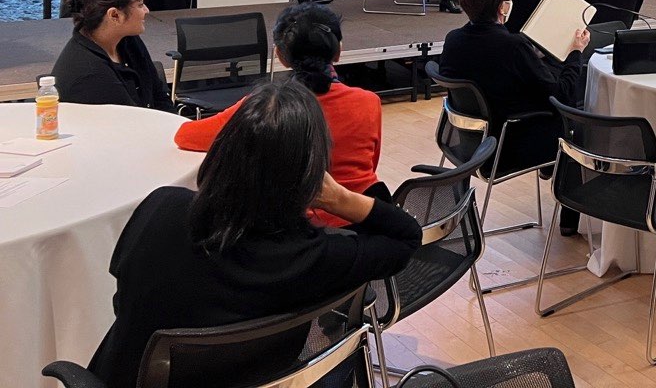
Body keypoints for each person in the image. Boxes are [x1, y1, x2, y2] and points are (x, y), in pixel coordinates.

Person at [88, 82, 419, 388]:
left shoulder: (161, 208)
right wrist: (340, 198)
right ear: (311, 177)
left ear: (223, 151)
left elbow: (121, 301)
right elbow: (406, 237)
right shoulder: (314, 258)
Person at [174, 3, 384, 226]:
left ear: (280, 55)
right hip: (365, 222)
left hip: (296, 231)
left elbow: (185, 136)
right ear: (338, 51)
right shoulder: (369, 102)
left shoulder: (263, 107)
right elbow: (371, 164)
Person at [437, 0, 590, 234]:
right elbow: (562, 95)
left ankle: (552, 171)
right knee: (579, 121)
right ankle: (569, 219)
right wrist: (576, 53)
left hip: (469, 143)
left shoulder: (453, 39)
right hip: (507, 147)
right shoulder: (512, 46)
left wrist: (534, 59)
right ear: (502, 6)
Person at [52, 0, 173, 111]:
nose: (146, 10)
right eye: (140, 4)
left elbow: (159, 95)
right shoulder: (90, 73)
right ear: (114, 15)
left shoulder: (127, 39)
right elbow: (128, 119)